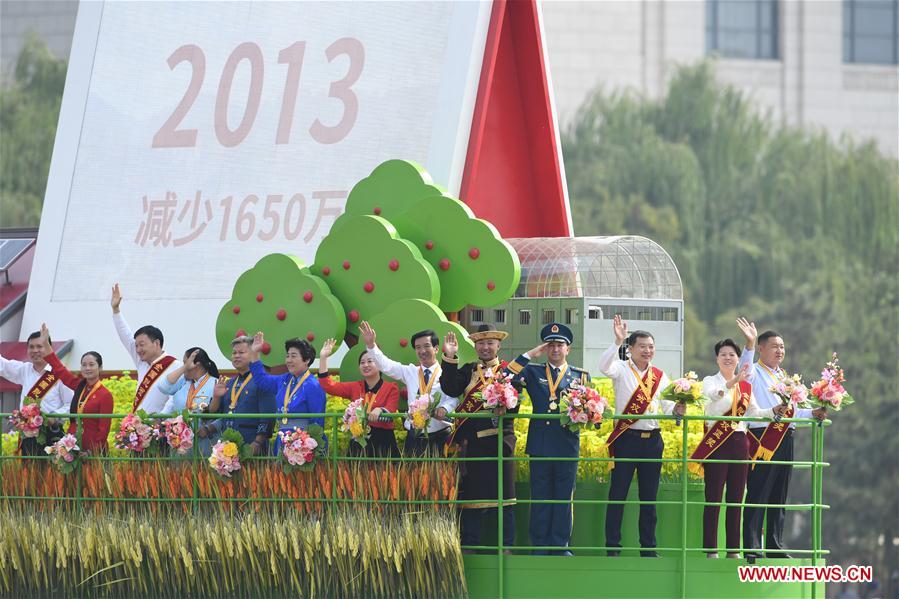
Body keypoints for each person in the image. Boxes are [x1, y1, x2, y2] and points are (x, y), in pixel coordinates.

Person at [736, 318, 827, 559]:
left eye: (783, 347)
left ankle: (775, 545)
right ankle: (752, 545)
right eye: (775, 346)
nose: (780, 351)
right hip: (762, 438)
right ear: (762, 349)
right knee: (759, 492)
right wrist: (749, 344)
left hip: (786, 436)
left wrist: (813, 413)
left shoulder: (785, 378)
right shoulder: (754, 371)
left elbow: (794, 411)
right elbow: (743, 374)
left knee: (779, 493)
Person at [599, 314, 685, 557]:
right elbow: (603, 367)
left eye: (651, 347)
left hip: (652, 441)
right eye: (642, 346)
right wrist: (616, 341)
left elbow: (667, 405)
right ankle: (612, 546)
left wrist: (678, 408)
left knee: (649, 497)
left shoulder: (659, 375)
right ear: (631, 348)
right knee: (618, 494)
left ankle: (648, 547)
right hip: (627, 439)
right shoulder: (620, 369)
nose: (647, 351)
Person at [506, 323, 590, 556]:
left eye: (559, 345)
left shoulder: (580, 376)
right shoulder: (532, 371)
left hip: (566, 443)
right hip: (541, 443)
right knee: (541, 496)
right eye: (550, 345)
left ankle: (560, 544)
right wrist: (529, 355)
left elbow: (591, 412)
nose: (555, 349)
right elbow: (505, 376)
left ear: (568, 349)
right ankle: (540, 545)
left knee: (564, 497)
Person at [694, 331, 775, 559]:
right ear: (716, 359)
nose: (728, 358)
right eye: (723, 355)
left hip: (740, 443)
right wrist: (733, 382)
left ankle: (732, 550)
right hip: (716, 443)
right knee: (714, 498)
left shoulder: (746, 388)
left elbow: (756, 413)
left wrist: (775, 411)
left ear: (738, 359)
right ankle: (711, 549)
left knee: (736, 498)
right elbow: (715, 395)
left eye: (732, 354)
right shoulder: (710, 381)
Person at [437, 324, 518, 552]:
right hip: (472, 444)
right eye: (481, 343)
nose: (485, 347)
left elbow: (517, 400)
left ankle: (506, 546)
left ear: (498, 345)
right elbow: (451, 388)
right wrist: (450, 357)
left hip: (500, 443)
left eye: (490, 342)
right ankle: (470, 545)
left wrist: (507, 406)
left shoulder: (507, 371)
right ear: (475, 346)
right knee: (471, 498)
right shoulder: (468, 370)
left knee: (504, 499)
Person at [358, 321, 454, 456]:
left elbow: (453, 396)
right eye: (418, 347)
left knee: (441, 476)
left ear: (436, 348)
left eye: (426, 346)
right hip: (414, 437)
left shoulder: (446, 373)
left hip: (440, 436)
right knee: (411, 476)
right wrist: (371, 345)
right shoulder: (411, 372)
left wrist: (445, 408)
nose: (422, 351)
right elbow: (386, 366)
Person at [318, 337, 400, 458]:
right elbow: (328, 386)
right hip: (358, 441)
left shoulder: (391, 388)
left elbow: (390, 411)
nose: (365, 365)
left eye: (370, 361)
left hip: (383, 442)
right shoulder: (355, 387)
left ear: (380, 364)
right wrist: (323, 358)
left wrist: (380, 410)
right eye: (362, 363)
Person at [247, 332, 325, 454]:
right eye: (287, 356)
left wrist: (308, 447)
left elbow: (317, 422)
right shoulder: (284, 379)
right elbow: (261, 380)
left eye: (293, 356)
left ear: (307, 360)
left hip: (303, 445)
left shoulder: (313, 385)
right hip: (282, 440)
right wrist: (255, 353)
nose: (289, 360)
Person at [38, 324, 113, 453]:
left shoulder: (105, 394)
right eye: (84, 365)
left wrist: (92, 452)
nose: (87, 368)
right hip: (72, 446)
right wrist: (46, 344)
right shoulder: (79, 386)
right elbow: (60, 369)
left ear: (100, 368)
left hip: (92, 451)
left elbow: (104, 429)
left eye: (91, 364)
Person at [111, 283, 180, 413]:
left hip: (159, 428)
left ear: (156, 343)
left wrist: (160, 421)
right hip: (136, 427)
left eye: (142, 345)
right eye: (136, 346)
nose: (138, 350)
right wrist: (116, 310)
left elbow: (174, 399)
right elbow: (125, 335)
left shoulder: (175, 366)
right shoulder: (142, 362)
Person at [199, 335, 275, 454]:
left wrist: (258, 442)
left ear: (253, 353)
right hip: (227, 445)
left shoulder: (263, 382)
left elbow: (268, 417)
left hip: (251, 444)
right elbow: (214, 413)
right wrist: (217, 397)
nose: (236, 356)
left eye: (241, 352)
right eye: (234, 353)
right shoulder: (229, 383)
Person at [0, 330, 72, 455]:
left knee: (53, 473)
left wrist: (54, 417)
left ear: (49, 349)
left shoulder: (60, 373)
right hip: (28, 434)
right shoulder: (24, 369)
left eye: (39, 346)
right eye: (31, 347)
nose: (35, 350)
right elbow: (3, 366)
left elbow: (71, 404)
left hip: (53, 433)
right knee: (28, 472)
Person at [156, 347, 220, 456]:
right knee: (178, 472)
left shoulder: (216, 383)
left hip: (204, 441)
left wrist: (209, 428)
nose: (184, 366)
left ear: (197, 364)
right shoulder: (183, 382)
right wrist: (184, 367)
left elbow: (223, 414)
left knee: (202, 472)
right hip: (178, 442)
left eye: (186, 362)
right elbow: (162, 386)